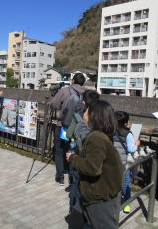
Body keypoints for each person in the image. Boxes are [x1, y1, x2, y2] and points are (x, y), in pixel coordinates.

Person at [66, 100, 123, 229]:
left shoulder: (96, 138)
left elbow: (93, 168)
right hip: (99, 191)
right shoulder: (103, 135)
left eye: (87, 110)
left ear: (94, 115)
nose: (84, 112)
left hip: (98, 196)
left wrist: (73, 158)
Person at [50, 73, 86, 185]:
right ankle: (72, 177)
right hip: (78, 127)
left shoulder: (65, 91)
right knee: (73, 151)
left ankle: (60, 177)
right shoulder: (86, 93)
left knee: (59, 150)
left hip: (63, 126)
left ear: (73, 81)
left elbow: (53, 105)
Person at [114, 111, 140, 214]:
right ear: (126, 123)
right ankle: (126, 205)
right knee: (126, 183)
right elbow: (131, 149)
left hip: (113, 161)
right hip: (124, 163)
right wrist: (137, 143)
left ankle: (114, 202)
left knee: (114, 182)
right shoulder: (128, 133)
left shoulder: (111, 130)